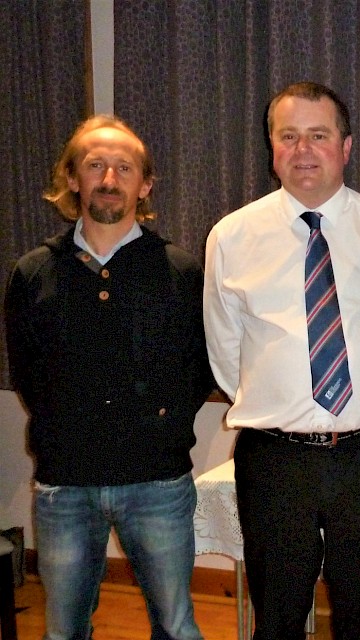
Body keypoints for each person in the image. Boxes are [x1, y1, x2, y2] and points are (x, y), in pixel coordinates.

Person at [203, 82, 360, 639]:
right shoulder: (231, 236)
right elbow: (226, 352)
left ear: (346, 147)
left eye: (318, 136)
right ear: (272, 147)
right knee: (276, 617)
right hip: (275, 460)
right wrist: (284, 405)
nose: (303, 150)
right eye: (288, 136)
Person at [3, 115, 212, 640]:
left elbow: (200, 366)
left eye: (124, 167)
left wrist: (161, 427)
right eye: (95, 164)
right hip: (64, 484)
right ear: (72, 178)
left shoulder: (181, 270)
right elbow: (28, 372)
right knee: (64, 631)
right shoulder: (33, 272)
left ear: (144, 185)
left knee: (177, 626)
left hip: (158, 480)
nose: (109, 178)